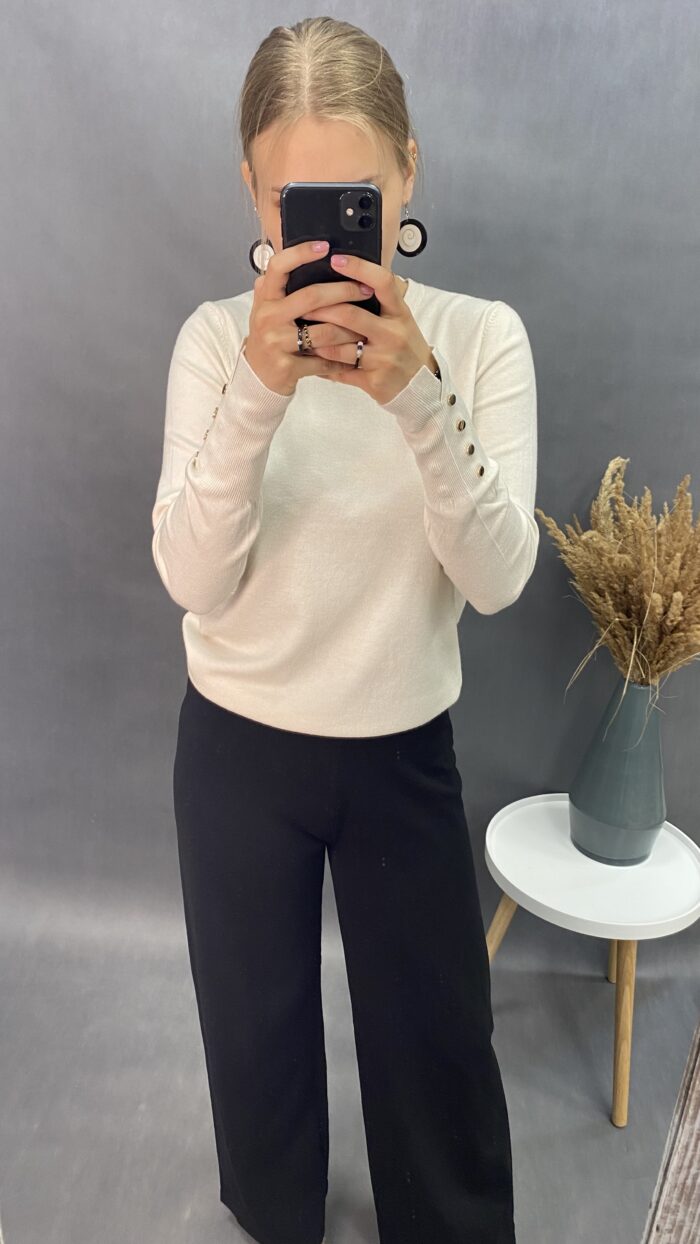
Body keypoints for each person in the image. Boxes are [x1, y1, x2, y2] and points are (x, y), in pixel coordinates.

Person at [151, 16, 538, 1244]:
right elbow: (192, 578)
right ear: (253, 194)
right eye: (293, 206)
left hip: (398, 746)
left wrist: (416, 396)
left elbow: (498, 579)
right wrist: (262, 392)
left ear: (406, 175)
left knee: (436, 1038)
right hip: (236, 748)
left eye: (352, 201)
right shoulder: (215, 343)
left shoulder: (478, 339)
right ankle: (277, 1215)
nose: (320, 241)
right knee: (254, 1037)